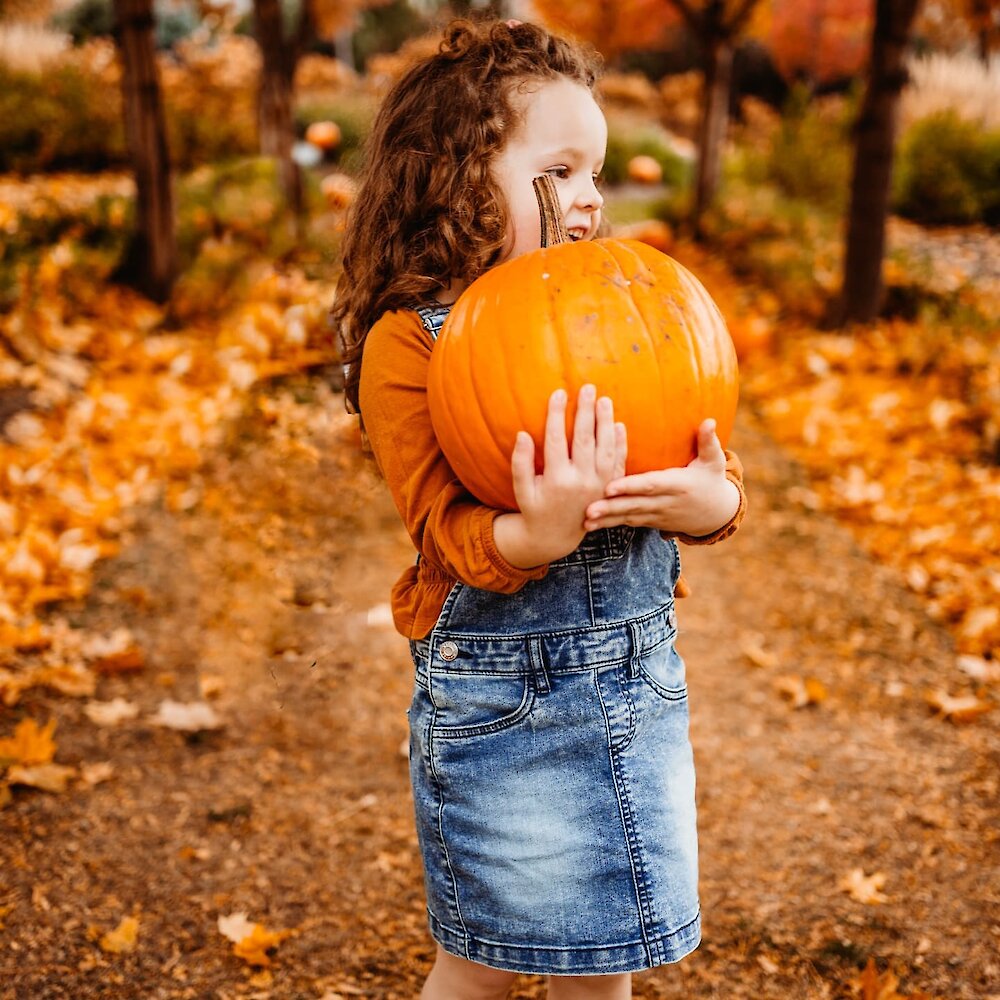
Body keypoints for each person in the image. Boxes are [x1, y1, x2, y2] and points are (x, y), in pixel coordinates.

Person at [332, 18, 747, 1000]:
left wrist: (707, 501)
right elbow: (440, 531)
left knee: (605, 964)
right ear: (459, 177)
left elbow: (712, 468)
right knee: (478, 963)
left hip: (638, 696)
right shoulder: (414, 345)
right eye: (559, 169)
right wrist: (534, 533)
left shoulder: (625, 304)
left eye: (597, 171)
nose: (591, 197)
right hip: (500, 708)